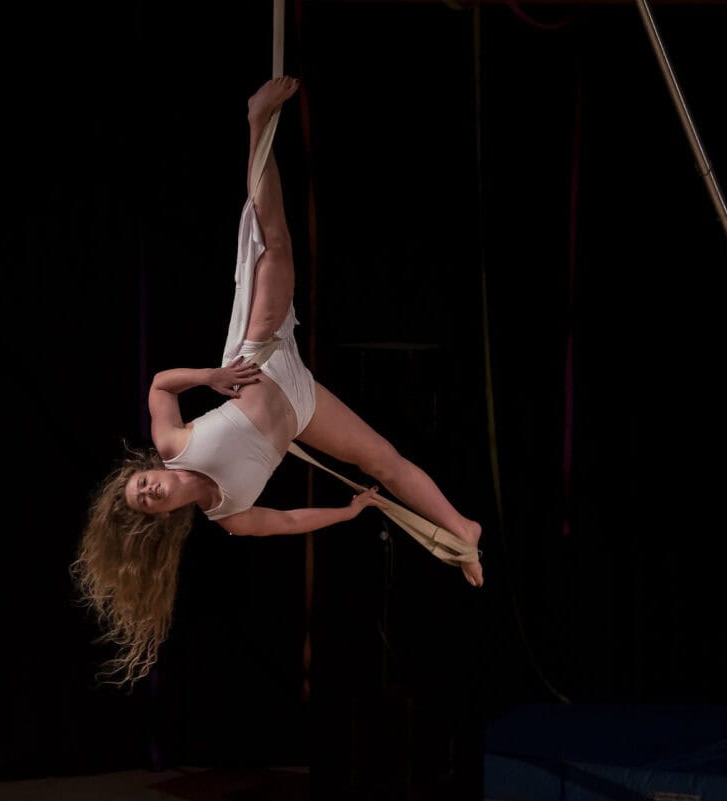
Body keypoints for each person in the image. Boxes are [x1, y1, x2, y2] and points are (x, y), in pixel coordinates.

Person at [73, 76, 482, 686]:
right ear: (158, 520)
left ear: (143, 473)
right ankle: (462, 526)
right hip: (301, 403)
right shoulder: (229, 515)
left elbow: (160, 385)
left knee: (277, 248)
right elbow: (288, 521)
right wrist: (344, 517)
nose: (150, 490)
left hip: (256, 360)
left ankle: (256, 122)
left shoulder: (172, 444)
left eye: (140, 486)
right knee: (386, 463)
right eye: (147, 501)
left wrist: (212, 375)